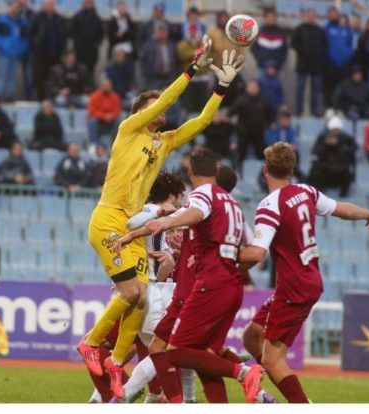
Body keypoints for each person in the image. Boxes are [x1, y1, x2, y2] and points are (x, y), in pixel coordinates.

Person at [75, 39, 243, 400]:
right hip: (107, 217)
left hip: (130, 225)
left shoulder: (162, 142)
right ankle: (91, 344)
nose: (161, 112)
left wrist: (221, 88)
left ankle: (117, 362)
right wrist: (190, 70)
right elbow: (168, 99)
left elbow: (202, 121)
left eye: (159, 110)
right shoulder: (128, 130)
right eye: (153, 108)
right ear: (140, 113)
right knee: (133, 292)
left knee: (140, 296)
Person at [115, 148, 264, 403]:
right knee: (199, 353)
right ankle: (192, 400)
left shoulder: (202, 197)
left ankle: (242, 373)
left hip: (204, 287)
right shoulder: (232, 206)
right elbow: (256, 253)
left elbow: (190, 214)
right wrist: (224, 258)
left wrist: (165, 225)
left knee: (176, 352)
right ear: (215, 170)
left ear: (191, 172)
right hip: (230, 287)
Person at [239, 142, 369, 403]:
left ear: (264, 169)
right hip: (306, 280)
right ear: (291, 170)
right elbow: (341, 209)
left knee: (271, 359)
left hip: (294, 286)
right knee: (251, 336)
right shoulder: (305, 191)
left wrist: (224, 257)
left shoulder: (270, 204)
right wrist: (365, 213)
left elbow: (258, 254)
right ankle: (265, 394)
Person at [106, 170, 185, 403]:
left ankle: (154, 399)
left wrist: (169, 257)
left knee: (158, 350)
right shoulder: (152, 210)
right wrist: (160, 211)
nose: (179, 201)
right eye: (178, 196)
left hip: (147, 288)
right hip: (149, 291)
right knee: (165, 349)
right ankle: (123, 400)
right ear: (171, 196)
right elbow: (133, 223)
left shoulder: (157, 223)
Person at [291, 8, 327, 117]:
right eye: (309, 15)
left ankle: (314, 110)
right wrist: (301, 51)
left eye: (313, 16)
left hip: (316, 65)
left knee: (315, 90)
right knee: (300, 88)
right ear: (306, 16)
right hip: (303, 64)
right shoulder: (300, 29)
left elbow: (325, 46)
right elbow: (293, 44)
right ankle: (298, 111)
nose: (311, 18)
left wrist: (320, 54)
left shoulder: (320, 30)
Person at [308, 116, 357, 197]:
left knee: (348, 174)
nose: (335, 133)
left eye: (337, 130)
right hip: (325, 169)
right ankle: (318, 197)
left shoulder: (345, 138)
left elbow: (354, 148)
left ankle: (343, 198)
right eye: (333, 130)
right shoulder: (323, 137)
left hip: (340, 169)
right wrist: (325, 145)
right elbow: (315, 151)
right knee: (315, 173)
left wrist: (341, 145)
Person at [29, 0, 68, 100]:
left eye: (52, 4)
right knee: (39, 79)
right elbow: (30, 34)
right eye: (48, 4)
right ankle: (40, 100)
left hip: (55, 56)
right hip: (40, 56)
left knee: (53, 79)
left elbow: (63, 36)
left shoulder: (59, 19)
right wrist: (36, 46)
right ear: (43, 5)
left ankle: (51, 100)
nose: (50, 6)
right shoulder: (36, 18)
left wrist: (61, 51)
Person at [229, 79, 274, 164]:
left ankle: (262, 172)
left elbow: (270, 113)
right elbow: (231, 113)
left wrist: (271, 122)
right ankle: (238, 170)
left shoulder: (263, 100)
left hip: (258, 131)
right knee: (240, 153)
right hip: (244, 131)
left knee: (261, 154)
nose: (253, 88)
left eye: (254, 86)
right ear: (247, 88)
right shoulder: (241, 100)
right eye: (251, 86)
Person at [0, 0, 30, 101]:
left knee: (12, 78)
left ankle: (9, 97)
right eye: (13, 7)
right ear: (9, 8)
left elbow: (25, 40)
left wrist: (20, 50)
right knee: (1, 77)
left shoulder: (23, 23)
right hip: (4, 54)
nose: (15, 9)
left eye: (17, 7)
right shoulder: (2, 20)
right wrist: (3, 47)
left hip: (16, 54)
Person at [177, 23, 211, 114]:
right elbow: (182, 55)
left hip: (203, 76)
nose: (193, 33)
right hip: (189, 78)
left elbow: (208, 54)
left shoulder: (203, 43)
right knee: (189, 103)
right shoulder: (183, 44)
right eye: (191, 32)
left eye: (194, 32)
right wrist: (195, 53)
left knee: (203, 104)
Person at [324, 7, 353, 108]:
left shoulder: (345, 30)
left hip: (343, 65)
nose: (335, 15)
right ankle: (329, 108)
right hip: (330, 65)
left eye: (336, 13)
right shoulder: (326, 29)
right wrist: (328, 58)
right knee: (329, 88)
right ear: (329, 15)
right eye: (332, 13)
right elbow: (323, 45)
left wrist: (346, 56)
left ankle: (341, 108)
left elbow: (349, 45)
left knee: (343, 88)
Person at [70, 0, 104, 73]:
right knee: (78, 72)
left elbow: (101, 33)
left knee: (90, 72)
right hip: (79, 51)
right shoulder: (77, 17)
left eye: (90, 3)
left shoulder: (97, 18)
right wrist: (78, 42)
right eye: (87, 3)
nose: (88, 5)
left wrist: (97, 43)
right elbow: (72, 31)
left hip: (92, 52)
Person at [141, 23, 177, 90]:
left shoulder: (172, 45)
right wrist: (146, 77)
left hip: (169, 77)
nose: (162, 33)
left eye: (164, 31)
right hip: (154, 79)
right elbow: (143, 63)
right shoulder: (148, 45)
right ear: (156, 32)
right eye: (160, 31)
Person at [86, 78, 122, 146]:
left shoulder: (115, 97)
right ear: (100, 86)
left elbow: (117, 110)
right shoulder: (94, 96)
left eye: (108, 85)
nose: (106, 87)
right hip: (99, 123)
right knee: (92, 121)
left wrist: (111, 116)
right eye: (105, 85)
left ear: (111, 86)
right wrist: (104, 116)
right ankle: (93, 145)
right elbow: (92, 111)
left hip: (111, 122)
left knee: (120, 121)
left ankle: (116, 144)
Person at [252, 8, 288, 73]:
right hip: (262, 65)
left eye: (273, 18)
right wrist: (260, 59)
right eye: (269, 18)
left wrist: (280, 62)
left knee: (275, 83)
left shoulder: (281, 32)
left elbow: (284, 50)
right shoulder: (260, 32)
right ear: (265, 19)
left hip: (276, 66)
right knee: (261, 82)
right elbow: (253, 48)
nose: (271, 20)